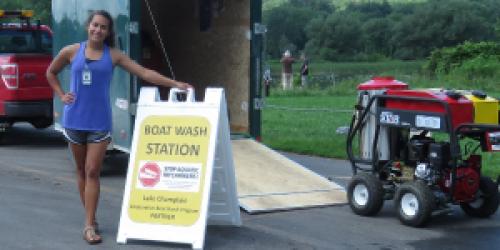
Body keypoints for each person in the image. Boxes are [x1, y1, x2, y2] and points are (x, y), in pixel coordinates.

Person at [45, 10, 192, 244]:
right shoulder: (71, 51)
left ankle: (89, 226)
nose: (98, 30)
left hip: (99, 122)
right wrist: (61, 95)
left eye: (103, 27)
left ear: (108, 32)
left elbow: (144, 72)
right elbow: (51, 72)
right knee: (81, 171)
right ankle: (91, 217)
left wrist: (174, 83)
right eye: (95, 25)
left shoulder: (113, 56)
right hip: (74, 120)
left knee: (93, 170)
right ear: (88, 26)